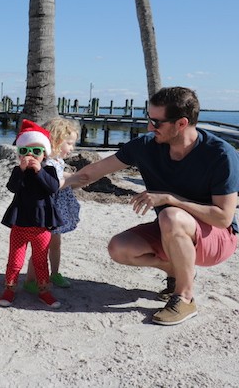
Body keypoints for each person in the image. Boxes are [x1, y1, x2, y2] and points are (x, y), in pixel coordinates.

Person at [66, 86, 239, 325]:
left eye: (157, 122)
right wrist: (49, 184)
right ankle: (176, 270)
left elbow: (223, 218)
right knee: (119, 247)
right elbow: (90, 173)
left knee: (171, 215)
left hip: (217, 239)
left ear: (181, 123)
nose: (149, 127)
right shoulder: (146, 145)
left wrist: (170, 199)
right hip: (173, 231)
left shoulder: (220, 154)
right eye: (149, 119)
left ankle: (185, 297)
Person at [0, 120, 64, 309]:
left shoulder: (48, 170)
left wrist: (39, 170)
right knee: (15, 260)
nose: (31, 155)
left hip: (41, 226)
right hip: (20, 223)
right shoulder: (18, 171)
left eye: (36, 151)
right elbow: (12, 187)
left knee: (40, 261)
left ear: (44, 154)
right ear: (19, 154)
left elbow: (52, 188)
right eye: (25, 151)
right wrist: (21, 170)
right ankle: (9, 288)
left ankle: (44, 291)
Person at [23, 117, 81, 292]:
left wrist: (73, 177)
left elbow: (60, 175)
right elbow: (52, 185)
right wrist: (71, 180)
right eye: (69, 144)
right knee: (42, 246)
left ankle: (54, 272)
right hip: (48, 210)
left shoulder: (57, 161)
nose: (72, 148)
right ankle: (30, 280)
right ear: (56, 141)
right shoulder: (46, 163)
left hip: (58, 210)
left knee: (56, 243)